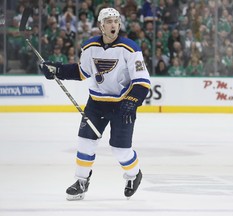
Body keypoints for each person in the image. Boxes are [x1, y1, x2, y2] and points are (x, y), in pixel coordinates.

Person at [39, 8, 151, 201]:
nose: (113, 24)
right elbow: (82, 72)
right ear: (101, 25)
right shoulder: (89, 47)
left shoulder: (130, 48)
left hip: (122, 104)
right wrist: (58, 70)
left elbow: (142, 82)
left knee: (120, 149)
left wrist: (131, 102)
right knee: (85, 141)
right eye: (109, 21)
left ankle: (134, 175)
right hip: (97, 103)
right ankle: (81, 181)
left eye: (116, 21)